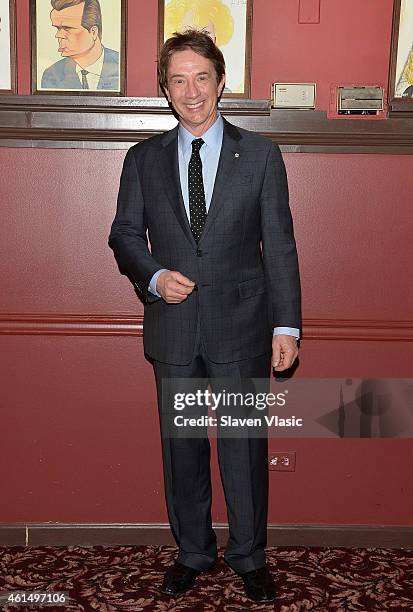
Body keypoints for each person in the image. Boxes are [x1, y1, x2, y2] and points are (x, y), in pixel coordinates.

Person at [109, 30, 301, 603]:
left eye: (201, 77)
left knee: (244, 449)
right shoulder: (141, 159)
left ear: (221, 81)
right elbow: (123, 234)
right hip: (173, 330)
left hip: (243, 327)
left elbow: (280, 246)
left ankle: (248, 555)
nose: (191, 91)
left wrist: (286, 326)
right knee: (183, 449)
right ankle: (193, 551)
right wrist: (154, 276)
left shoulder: (261, 155)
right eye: (177, 79)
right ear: (165, 89)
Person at [41, 0, 119, 91]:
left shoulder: (122, 66)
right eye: (58, 28)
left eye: (68, 28)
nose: (58, 35)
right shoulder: (52, 75)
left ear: (93, 32)